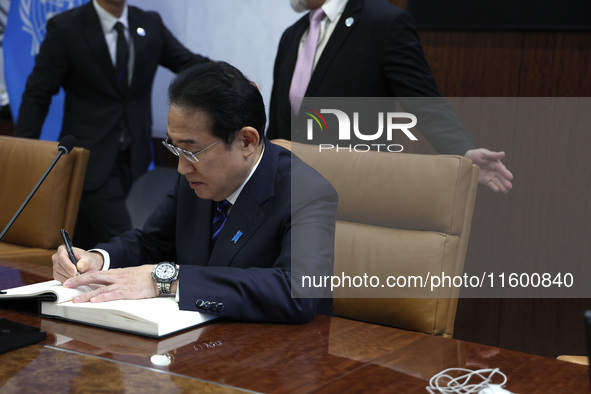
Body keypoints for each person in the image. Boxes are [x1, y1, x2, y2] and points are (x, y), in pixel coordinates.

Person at [51, 61, 338, 323]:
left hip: (279, 357)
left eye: (191, 150)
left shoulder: (306, 192)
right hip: (197, 340)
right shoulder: (196, 175)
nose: (181, 167)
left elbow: (295, 291)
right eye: (175, 148)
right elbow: (152, 241)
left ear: (247, 141)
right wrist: (98, 260)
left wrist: (168, 279)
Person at [13, 0, 210, 249]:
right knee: (123, 239)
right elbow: (37, 94)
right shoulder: (67, 27)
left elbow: (189, 63)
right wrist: (23, 152)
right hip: (90, 157)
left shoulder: (148, 24)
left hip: (133, 154)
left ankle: (75, 282)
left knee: (84, 240)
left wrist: (232, 78)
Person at [267, 0, 513, 193]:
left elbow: (424, 102)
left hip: (350, 191)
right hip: (290, 191)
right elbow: (279, 125)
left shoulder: (384, 23)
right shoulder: (292, 35)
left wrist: (464, 151)